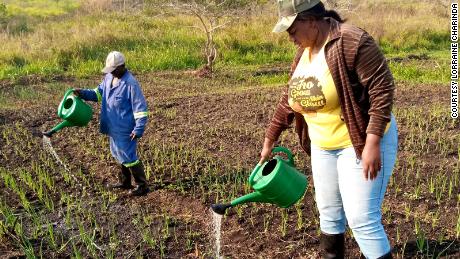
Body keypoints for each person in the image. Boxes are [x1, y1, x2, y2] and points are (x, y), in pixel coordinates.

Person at [260, 1, 397, 258]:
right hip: (323, 146)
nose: (290, 36)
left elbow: (382, 90)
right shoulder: (304, 52)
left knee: (361, 219)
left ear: (311, 20)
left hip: (357, 142)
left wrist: (372, 142)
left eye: (292, 29)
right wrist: (270, 137)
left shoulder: (351, 41)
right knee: (330, 215)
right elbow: (289, 99)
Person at [74, 51, 150, 196]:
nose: (112, 72)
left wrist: (139, 128)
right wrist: (82, 93)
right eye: (110, 70)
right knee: (117, 153)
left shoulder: (130, 84)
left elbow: (140, 108)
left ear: (122, 66)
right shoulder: (109, 78)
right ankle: (125, 182)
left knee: (128, 156)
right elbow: (98, 94)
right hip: (111, 125)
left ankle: (142, 185)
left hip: (125, 128)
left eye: (114, 70)